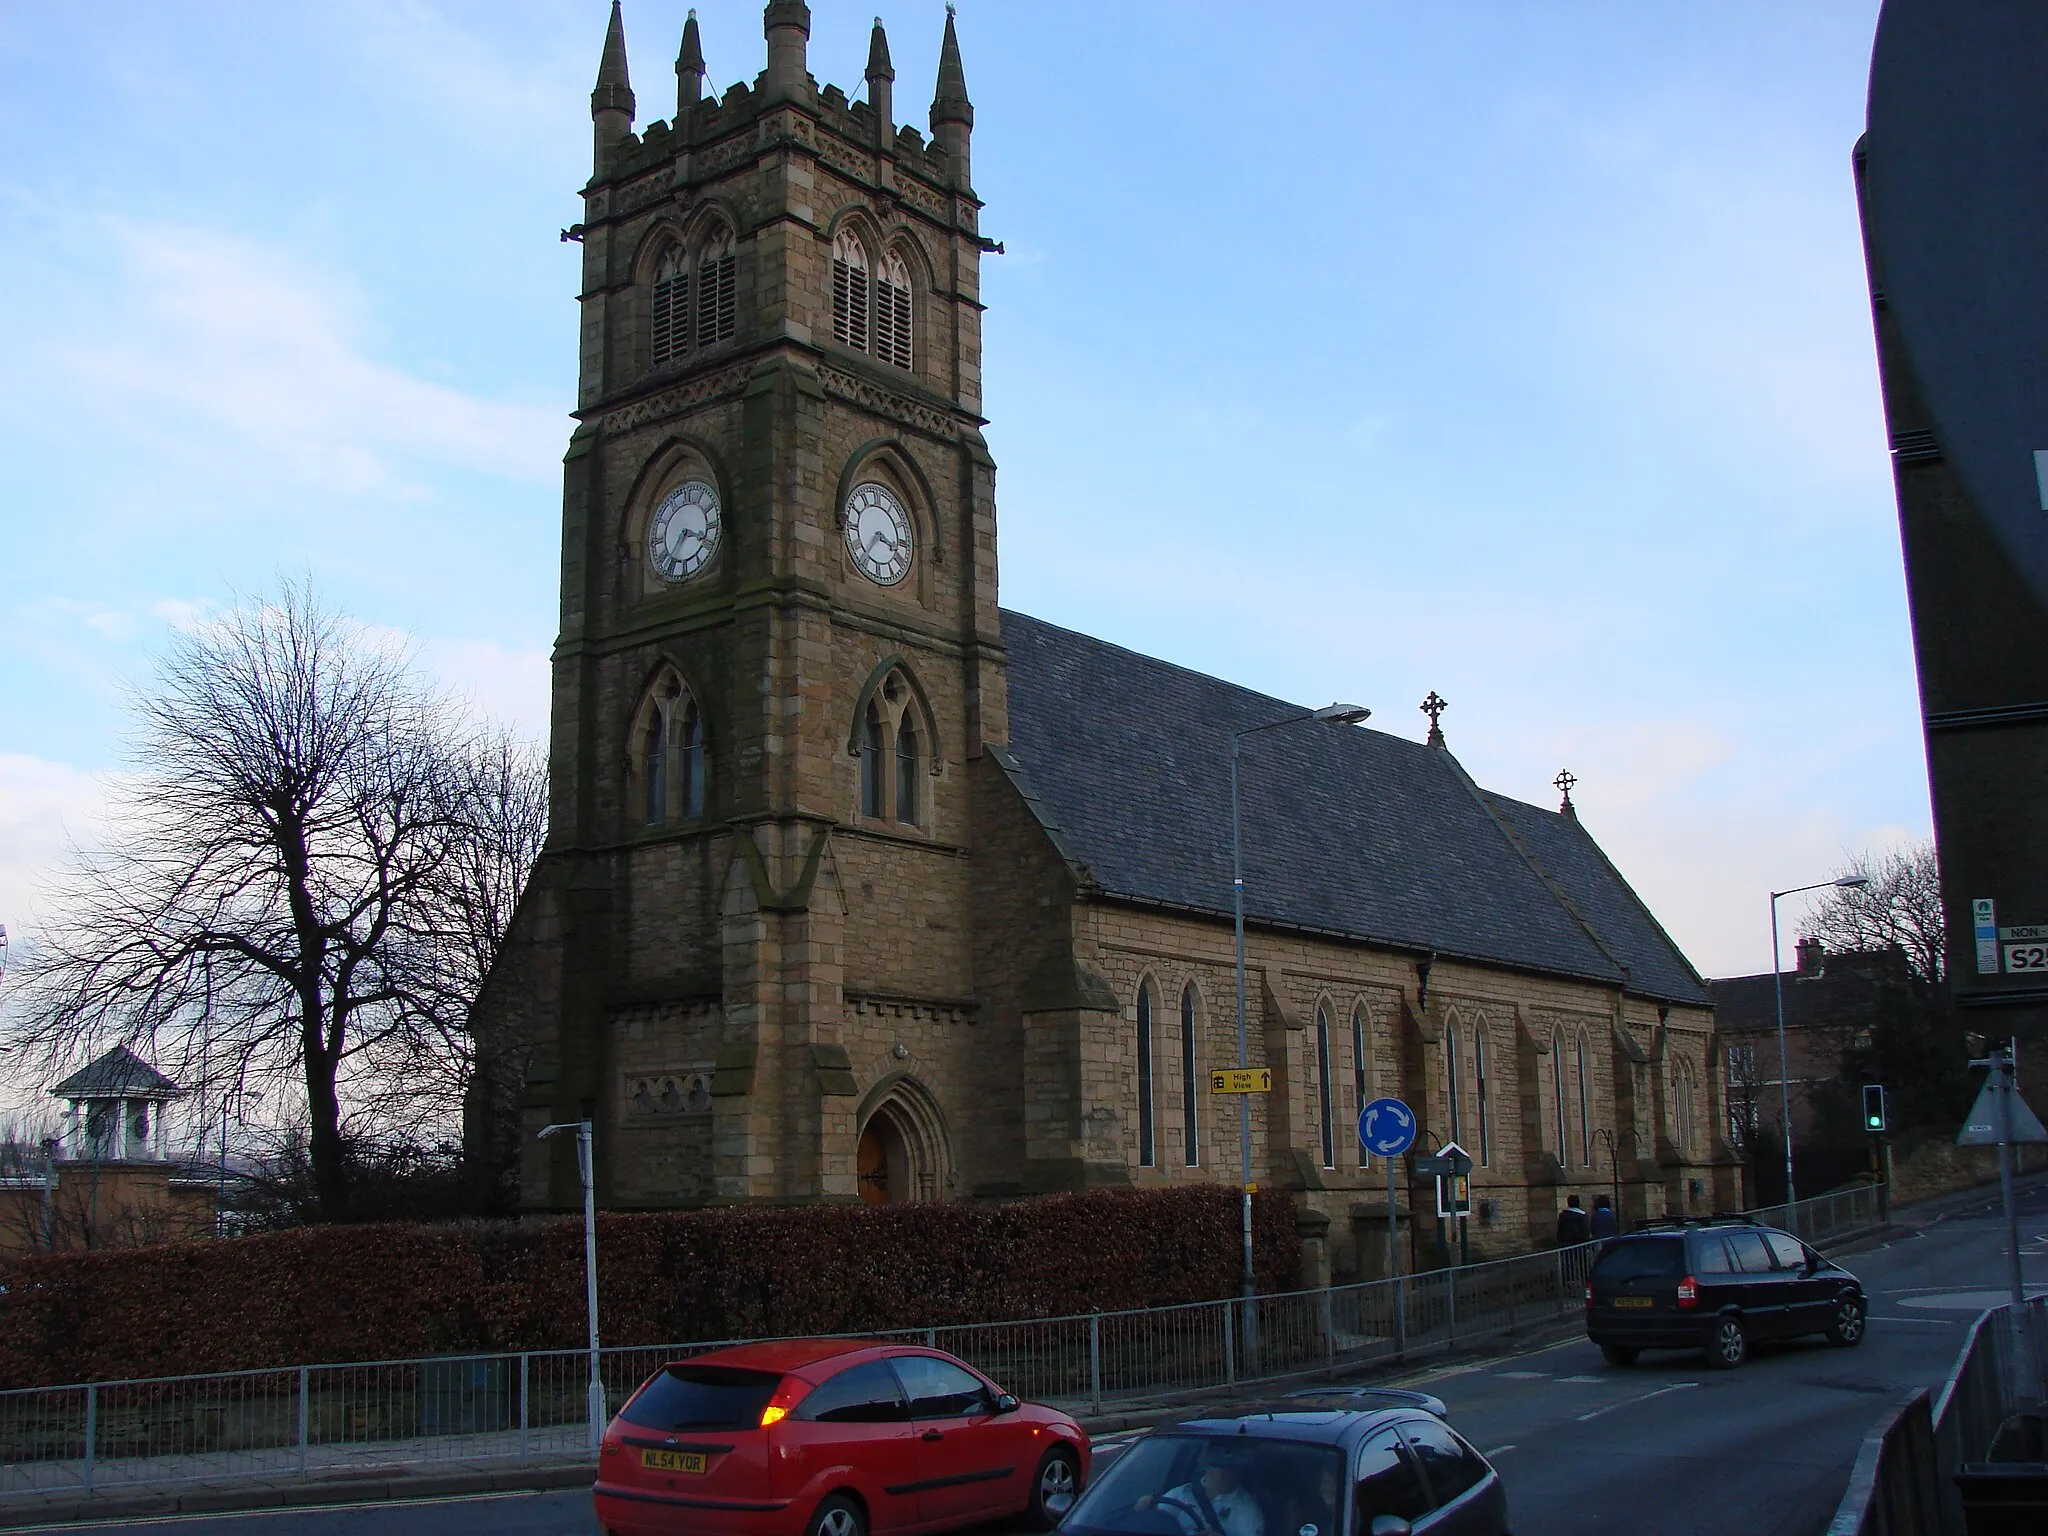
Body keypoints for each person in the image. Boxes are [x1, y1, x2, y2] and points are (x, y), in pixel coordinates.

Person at [1135, 1444, 1266, 1536]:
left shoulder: (1245, 1508)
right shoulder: (1180, 1494)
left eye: (1231, 1467)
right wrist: (1144, 1509)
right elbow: (1156, 1520)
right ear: (1207, 1466)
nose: (1227, 1472)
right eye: (1220, 1466)